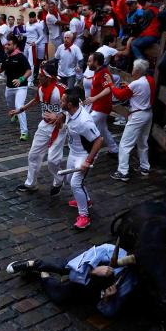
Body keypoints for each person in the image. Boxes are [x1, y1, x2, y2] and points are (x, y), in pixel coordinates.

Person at [6, 243, 137, 317]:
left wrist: (107, 297)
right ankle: (33, 264)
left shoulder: (129, 283)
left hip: (90, 286)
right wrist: (93, 270)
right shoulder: (115, 251)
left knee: (59, 297)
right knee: (64, 268)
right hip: (82, 264)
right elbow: (78, 266)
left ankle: (42, 273)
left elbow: (107, 311)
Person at [12, 61, 66, 193]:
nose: (38, 78)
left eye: (41, 75)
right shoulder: (41, 88)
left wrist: (60, 116)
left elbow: (74, 106)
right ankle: (31, 184)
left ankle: (58, 181)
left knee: (53, 160)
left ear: (48, 77)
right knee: (33, 155)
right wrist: (21, 109)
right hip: (44, 125)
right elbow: (37, 100)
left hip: (58, 128)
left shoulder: (60, 90)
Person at [63, 88, 104, 229]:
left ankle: (84, 216)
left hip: (85, 154)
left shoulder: (84, 121)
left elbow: (99, 140)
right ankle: (85, 200)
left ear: (69, 104)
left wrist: (88, 161)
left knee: (75, 183)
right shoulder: (70, 111)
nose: (60, 102)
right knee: (69, 179)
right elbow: (64, 117)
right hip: (74, 151)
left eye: (63, 100)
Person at [109, 60, 154, 181]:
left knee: (125, 144)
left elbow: (119, 95)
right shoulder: (149, 79)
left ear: (138, 71)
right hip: (148, 113)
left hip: (137, 115)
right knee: (142, 141)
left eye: (134, 69)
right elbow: (134, 91)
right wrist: (128, 86)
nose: (132, 71)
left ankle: (123, 171)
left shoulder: (136, 84)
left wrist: (111, 85)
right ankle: (145, 167)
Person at [0, 36, 31, 141]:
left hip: (21, 87)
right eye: (6, 44)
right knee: (10, 104)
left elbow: (29, 71)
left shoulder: (21, 57)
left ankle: (24, 132)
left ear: (15, 45)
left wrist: (21, 79)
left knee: (19, 106)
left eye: (9, 44)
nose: (6, 46)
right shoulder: (7, 56)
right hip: (9, 87)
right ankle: (15, 114)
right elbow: (2, 68)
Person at [83, 52, 118, 156]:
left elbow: (108, 89)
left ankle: (87, 151)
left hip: (102, 107)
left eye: (89, 61)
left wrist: (94, 98)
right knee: (103, 130)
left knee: (86, 124)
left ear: (96, 62)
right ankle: (114, 149)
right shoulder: (98, 72)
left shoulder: (103, 73)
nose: (87, 63)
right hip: (98, 106)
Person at [24, 12, 45, 86]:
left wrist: (35, 43)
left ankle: (30, 81)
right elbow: (27, 34)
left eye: (32, 18)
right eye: (29, 17)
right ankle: (25, 78)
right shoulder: (27, 23)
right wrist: (21, 34)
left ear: (35, 17)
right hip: (26, 44)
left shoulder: (38, 25)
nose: (30, 19)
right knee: (25, 62)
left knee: (31, 63)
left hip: (32, 46)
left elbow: (42, 36)